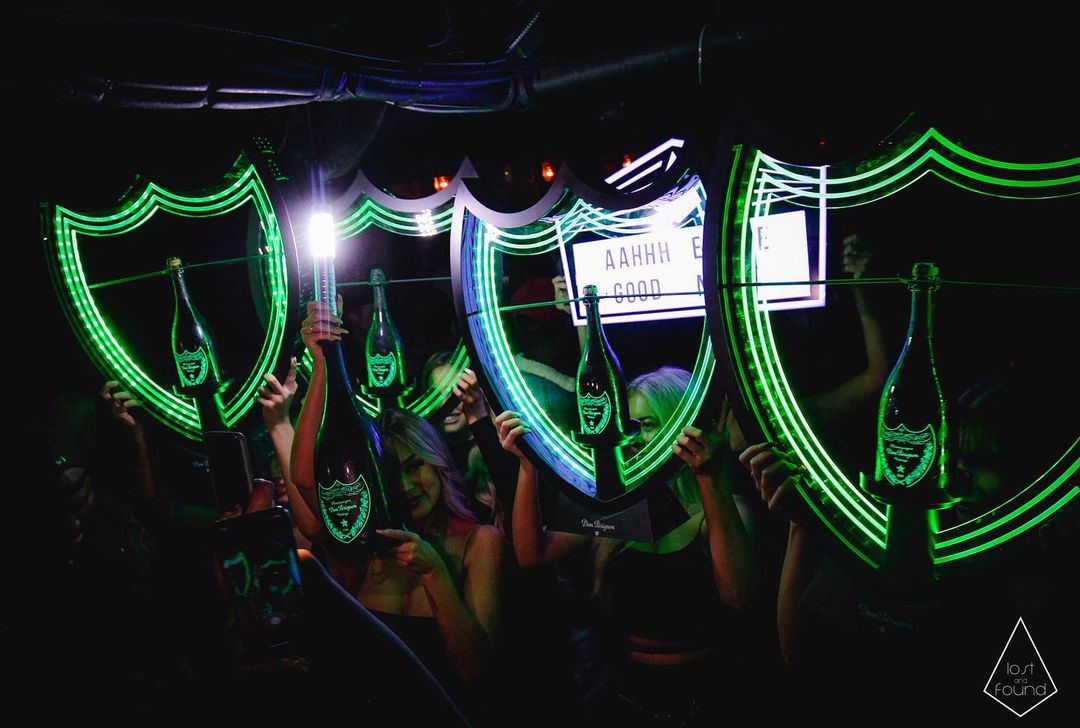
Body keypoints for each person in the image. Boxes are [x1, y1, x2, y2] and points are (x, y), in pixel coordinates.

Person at [499, 366, 757, 725]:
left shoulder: (720, 510)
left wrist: (707, 477)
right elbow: (532, 554)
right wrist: (529, 467)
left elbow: (739, 596)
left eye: (647, 424)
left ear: (682, 424)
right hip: (625, 690)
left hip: (706, 690)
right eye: (630, 424)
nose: (633, 436)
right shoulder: (616, 508)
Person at [289, 299, 504, 710]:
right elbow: (304, 478)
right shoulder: (368, 539)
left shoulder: (480, 543)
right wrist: (322, 366)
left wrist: (435, 572)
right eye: (391, 474)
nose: (405, 485)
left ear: (437, 462)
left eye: (414, 466)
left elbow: (475, 670)